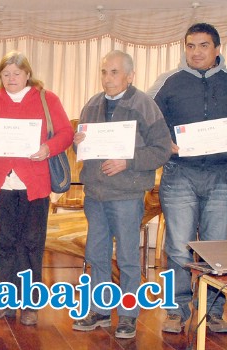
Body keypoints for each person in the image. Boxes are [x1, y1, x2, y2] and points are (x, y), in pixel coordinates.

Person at [148, 23, 227, 334]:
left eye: (203, 46)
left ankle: (214, 311)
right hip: (179, 175)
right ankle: (176, 309)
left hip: (220, 176)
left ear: (217, 49)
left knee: (216, 248)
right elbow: (147, 119)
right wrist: (165, 143)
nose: (196, 52)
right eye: (190, 46)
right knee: (177, 247)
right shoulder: (168, 82)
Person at [71, 50, 171, 338]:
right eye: (104, 72)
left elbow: (161, 149)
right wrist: (78, 143)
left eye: (114, 72)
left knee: (128, 257)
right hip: (96, 194)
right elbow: (85, 150)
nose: (108, 78)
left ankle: (128, 315)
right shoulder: (91, 105)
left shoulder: (145, 105)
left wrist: (128, 161)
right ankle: (100, 310)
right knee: (96, 255)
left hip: (127, 194)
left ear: (130, 76)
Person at [0, 50, 73, 326]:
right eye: (6, 74)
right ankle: (6, 301)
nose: (11, 78)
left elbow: (66, 133)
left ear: (28, 74)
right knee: (4, 244)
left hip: (35, 185)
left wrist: (47, 148)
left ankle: (30, 305)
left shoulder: (46, 98)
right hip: (1, 184)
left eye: (17, 73)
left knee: (31, 244)